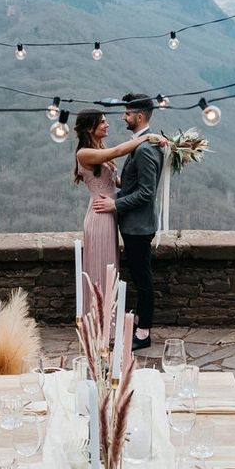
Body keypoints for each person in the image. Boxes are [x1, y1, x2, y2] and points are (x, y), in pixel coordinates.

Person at [74, 109, 148, 318]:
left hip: (109, 213)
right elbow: (117, 151)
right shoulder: (84, 153)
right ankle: (100, 322)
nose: (107, 125)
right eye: (103, 122)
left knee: (109, 267)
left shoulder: (99, 148)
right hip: (99, 216)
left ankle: (108, 320)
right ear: (90, 128)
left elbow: (118, 185)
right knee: (101, 267)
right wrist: (147, 137)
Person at [107, 93, 166, 350]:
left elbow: (146, 193)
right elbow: (138, 184)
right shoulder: (145, 145)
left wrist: (115, 204)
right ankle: (140, 324)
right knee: (141, 276)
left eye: (127, 114)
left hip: (138, 228)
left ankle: (143, 333)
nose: (124, 117)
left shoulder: (144, 149)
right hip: (135, 226)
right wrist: (120, 182)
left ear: (139, 117)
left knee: (143, 280)